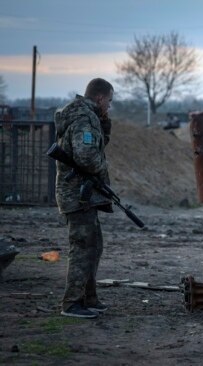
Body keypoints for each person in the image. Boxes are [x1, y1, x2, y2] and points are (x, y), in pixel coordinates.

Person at [54, 78, 114, 318]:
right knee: (82, 248)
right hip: (77, 195)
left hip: (83, 195)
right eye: (109, 101)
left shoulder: (90, 117)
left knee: (93, 246)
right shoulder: (83, 119)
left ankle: (88, 297)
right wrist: (102, 169)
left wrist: (105, 124)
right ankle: (71, 303)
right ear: (99, 98)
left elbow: (97, 146)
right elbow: (87, 157)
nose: (109, 106)